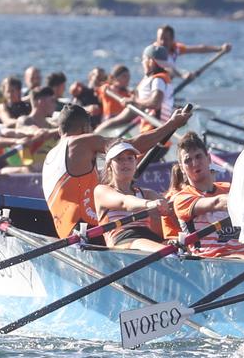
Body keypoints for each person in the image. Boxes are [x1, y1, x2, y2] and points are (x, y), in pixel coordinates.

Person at [44, 101, 193, 238]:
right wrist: (171, 124)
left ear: (59, 130)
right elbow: (130, 146)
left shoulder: (49, 157)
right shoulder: (82, 142)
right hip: (89, 232)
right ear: (85, 129)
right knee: (157, 210)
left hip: (68, 234)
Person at [92, 140, 179, 251]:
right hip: (122, 241)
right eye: (119, 159)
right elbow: (124, 202)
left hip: (147, 237)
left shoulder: (147, 193)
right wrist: (149, 204)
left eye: (130, 158)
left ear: (135, 163)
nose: (125, 162)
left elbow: (173, 208)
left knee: (179, 248)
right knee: (168, 252)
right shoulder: (102, 191)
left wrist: (172, 208)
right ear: (109, 165)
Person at [166, 131, 233, 232]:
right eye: (187, 160)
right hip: (211, 248)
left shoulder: (229, 187)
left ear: (209, 159)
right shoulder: (181, 199)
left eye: (198, 156)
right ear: (182, 168)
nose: (195, 163)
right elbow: (217, 203)